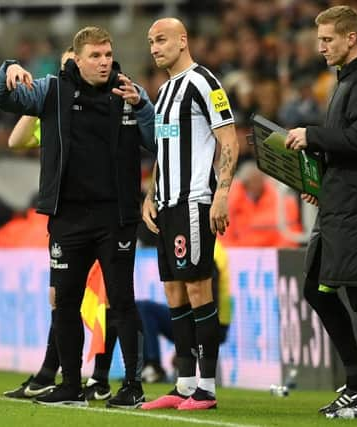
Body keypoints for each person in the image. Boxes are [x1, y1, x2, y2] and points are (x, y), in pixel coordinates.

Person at [0, 26, 156, 408]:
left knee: (122, 301)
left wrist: (143, 107)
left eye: (108, 54)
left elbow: (156, 140)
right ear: (76, 61)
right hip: (68, 217)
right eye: (95, 56)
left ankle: (132, 385)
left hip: (116, 217)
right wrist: (8, 68)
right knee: (65, 303)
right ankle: (70, 385)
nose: (104, 62)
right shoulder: (52, 89)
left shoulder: (129, 92)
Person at [284, 5, 357, 419]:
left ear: (352, 38)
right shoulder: (350, 81)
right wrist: (323, 181)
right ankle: (355, 383)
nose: (321, 48)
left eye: (328, 40)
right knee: (316, 290)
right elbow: (351, 143)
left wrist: (313, 135)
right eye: (320, 40)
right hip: (341, 203)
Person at [140, 17, 239, 411]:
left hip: (195, 199)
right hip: (166, 205)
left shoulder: (204, 82)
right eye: (150, 41)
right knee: (173, 290)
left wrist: (223, 191)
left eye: (161, 39)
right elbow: (165, 150)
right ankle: (182, 384)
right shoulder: (163, 92)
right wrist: (150, 194)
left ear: (183, 40)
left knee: (199, 288)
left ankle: (208, 388)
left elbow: (228, 137)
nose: (154, 47)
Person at [137, 239, 231, 383]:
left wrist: (187, 341)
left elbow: (207, 300)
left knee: (145, 309)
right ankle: (150, 366)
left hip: (213, 324)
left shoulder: (208, 249)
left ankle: (153, 365)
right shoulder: (212, 246)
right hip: (213, 320)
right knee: (143, 309)